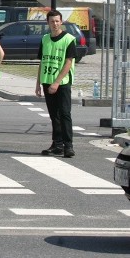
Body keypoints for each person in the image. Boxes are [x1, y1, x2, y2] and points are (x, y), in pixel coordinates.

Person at [36, 10, 76, 158]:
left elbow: (68, 62)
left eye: (57, 21)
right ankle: (57, 144)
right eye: (52, 21)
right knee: (54, 115)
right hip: (47, 81)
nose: (55, 24)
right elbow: (42, 61)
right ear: (48, 23)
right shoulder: (45, 39)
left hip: (62, 83)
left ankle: (68, 146)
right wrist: (38, 83)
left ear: (61, 22)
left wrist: (57, 82)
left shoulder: (69, 39)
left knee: (65, 114)